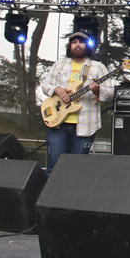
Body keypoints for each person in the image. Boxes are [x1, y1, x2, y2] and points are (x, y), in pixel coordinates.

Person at [39, 31, 114, 174]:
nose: (77, 45)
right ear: (69, 46)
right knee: (54, 166)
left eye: (81, 42)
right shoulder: (59, 65)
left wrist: (98, 90)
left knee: (76, 168)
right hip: (58, 124)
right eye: (74, 42)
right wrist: (57, 89)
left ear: (87, 46)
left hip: (85, 126)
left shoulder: (98, 67)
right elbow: (45, 85)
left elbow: (110, 94)